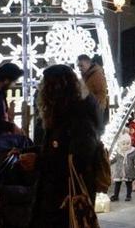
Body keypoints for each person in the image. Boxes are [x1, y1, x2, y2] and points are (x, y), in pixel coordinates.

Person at [21, 64, 104, 227]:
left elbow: (78, 159)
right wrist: (27, 152)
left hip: (66, 196)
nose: (42, 91)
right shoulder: (61, 113)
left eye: (46, 86)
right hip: (54, 194)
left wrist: (38, 162)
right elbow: (55, 149)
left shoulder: (79, 117)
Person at [77, 54, 109, 120]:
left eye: (81, 65)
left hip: (94, 111)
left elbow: (101, 93)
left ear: (88, 63)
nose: (79, 68)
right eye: (78, 66)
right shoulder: (88, 75)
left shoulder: (96, 75)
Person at [109, 132, 135, 202]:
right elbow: (113, 159)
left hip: (129, 171)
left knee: (129, 184)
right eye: (123, 144)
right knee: (117, 184)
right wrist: (108, 162)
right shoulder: (117, 152)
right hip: (119, 171)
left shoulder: (133, 151)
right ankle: (116, 195)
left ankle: (128, 195)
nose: (126, 146)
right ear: (119, 144)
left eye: (128, 143)